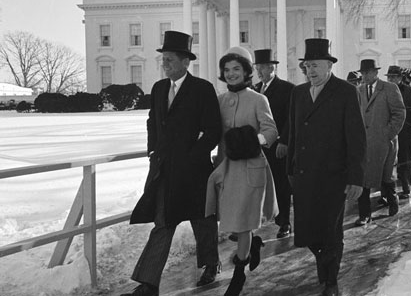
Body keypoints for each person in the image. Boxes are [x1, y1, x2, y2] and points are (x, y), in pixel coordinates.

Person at [121, 31, 222, 296]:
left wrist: (194, 155)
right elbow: (152, 121)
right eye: (163, 59)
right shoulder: (158, 89)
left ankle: (210, 265)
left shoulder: (202, 89)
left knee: (203, 222)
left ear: (185, 62)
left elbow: (213, 130)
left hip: (195, 171)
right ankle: (148, 283)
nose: (164, 64)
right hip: (165, 171)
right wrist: (152, 150)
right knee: (163, 223)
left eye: (169, 60)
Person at [287, 38, 366, 296]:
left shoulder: (345, 92)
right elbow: (293, 134)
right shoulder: (298, 93)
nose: (311, 71)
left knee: (331, 231)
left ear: (329, 66)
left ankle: (331, 281)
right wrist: (290, 169)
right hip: (304, 175)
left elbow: (356, 137)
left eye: (316, 65)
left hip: (334, 176)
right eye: (307, 66)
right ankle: (324, 262)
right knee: (308, 231)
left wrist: (356, 178)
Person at [205, 46, 279, 296]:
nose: (231, 74)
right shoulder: (219, 101)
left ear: (247, 71)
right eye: (226, 70)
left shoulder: (259, 99)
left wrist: (253, 140)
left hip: (251, 168)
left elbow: (271, 131)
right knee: (233, 223)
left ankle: (239, 273)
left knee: (245, 223)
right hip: (227, 168)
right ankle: (253, 245)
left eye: (236, 69)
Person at [355, 59, 405, 225]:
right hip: (364, 143)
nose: (364, 76)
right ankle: (364, 214)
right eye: (362, 73)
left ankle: (393, 201)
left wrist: (387, 134)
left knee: (386, 176)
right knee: (363, 178)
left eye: (368, 72)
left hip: (385, 142)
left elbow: (399, 113)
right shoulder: (359, 90)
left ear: (376, 73)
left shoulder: (389, 88)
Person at [252, 48, 295, 239]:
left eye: (262, 67)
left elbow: (290, 119)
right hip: (258, 148)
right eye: (257, 67)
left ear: (272, 67)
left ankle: (284, 222)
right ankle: (255, 221)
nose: (259, 71)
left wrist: (284, 141)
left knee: (280, 185)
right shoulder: (254, 90)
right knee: (257, 185)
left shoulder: (287, 89)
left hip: (277, 147)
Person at [385, 66, 411, 199]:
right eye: (389, 77)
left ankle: (407, 189)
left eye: (394, 77)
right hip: (388, 132)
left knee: (405, 162)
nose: (391, 79)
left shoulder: (409, 91)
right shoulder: (384, 90)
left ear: (400, 78)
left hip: (406, 132)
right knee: (387, 162)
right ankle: (386, 194)